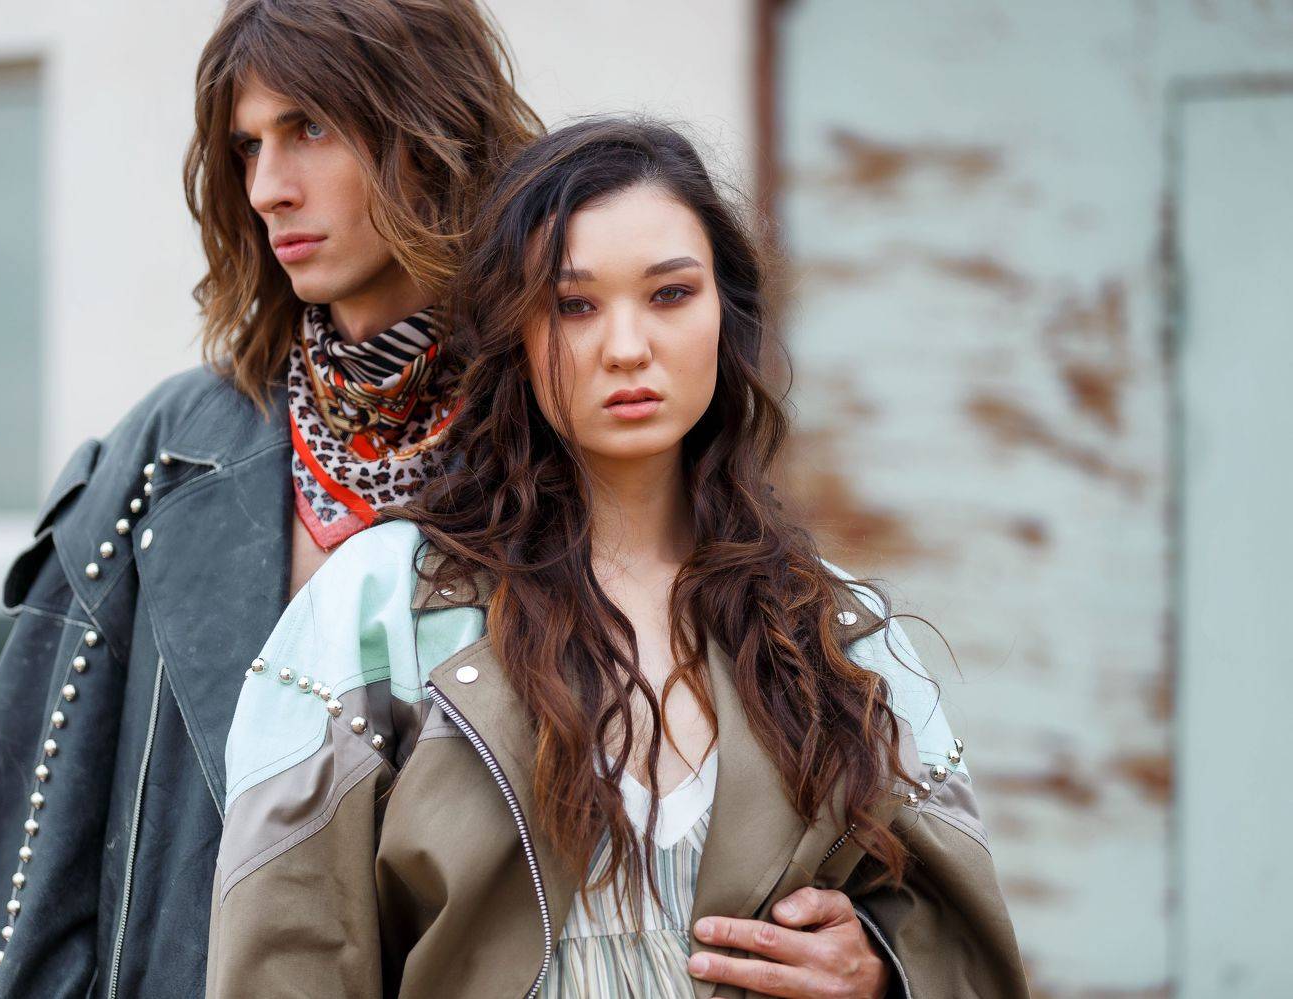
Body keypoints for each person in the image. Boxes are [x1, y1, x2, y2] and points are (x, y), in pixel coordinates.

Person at [206, 118, 1029, 997]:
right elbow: (284, 958)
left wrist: (881, 971)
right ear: (515, 333)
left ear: (726, 314)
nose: (628, 346)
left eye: (670, 294)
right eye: (575, 305)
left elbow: (963, 949)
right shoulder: (377, 612)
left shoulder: (834, 628)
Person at [0, 1, 541, 995]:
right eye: (247, 146)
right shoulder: (169, 452)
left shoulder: (560, 448)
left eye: (310, 128)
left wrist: (822, 940)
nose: (266, 188)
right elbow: (12, 880)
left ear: (430, 127)